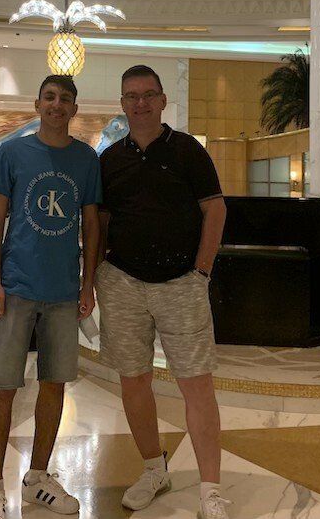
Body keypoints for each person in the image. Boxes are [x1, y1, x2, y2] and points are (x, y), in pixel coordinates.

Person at [97, 64, 230, 519]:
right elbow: (100, 223)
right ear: (122, 103)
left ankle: (211, 490)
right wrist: (94, 276)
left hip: (181, 283)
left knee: (197, 384)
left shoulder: (188, 150)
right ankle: (154, 470)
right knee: (133, 380)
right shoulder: (109, 160)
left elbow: (215, 210)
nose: (140, 103)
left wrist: (201, 271)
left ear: (162, 101)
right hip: (122, 282)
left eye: (148, 95)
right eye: (132, 96)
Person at [0, 74, 101, 519]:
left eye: (65, 99)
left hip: (63, 292)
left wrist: (87, 285)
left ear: (74, 109)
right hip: (17, 287)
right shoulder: (13, 153)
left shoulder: (86, 159)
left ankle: (37, 478)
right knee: (2, 386)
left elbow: (91, 225)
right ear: (37, 104)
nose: (56, 104)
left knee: (55, 384)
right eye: (49, 97)